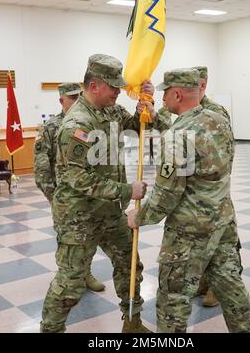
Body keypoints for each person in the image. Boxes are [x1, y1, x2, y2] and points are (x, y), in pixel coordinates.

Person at [127, 68, 250, 333]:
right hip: (222, 221)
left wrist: (138, 216)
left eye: (165, 93)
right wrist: (152, 112)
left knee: (172, 299)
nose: (162, 99)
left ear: (177, 94)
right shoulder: (218, 119)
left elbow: (166, 194)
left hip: (189, 231)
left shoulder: (178, 136)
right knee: (231, 289)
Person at [40, 54, 161, 333]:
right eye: (113, 87)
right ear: (94, 86)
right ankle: (50, 329)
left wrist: (148, 104)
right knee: (71, 280)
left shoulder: (112, 111)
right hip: (79, 216)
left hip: (109, 211)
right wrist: (126, 189)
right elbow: (76, 177)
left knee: (130, 265)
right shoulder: (76, 125)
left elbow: (141, 126)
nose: (118, 92)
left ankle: (132, 321)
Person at [34, 83, 105, 293]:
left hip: (88, 195)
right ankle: (68, 278)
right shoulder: (50, 127)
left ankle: (86, 273)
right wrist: (53, 196)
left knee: (89, 237)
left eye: (78, 97)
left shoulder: (89, 122)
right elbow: (41, 168)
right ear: (61, 101)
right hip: (66, 198)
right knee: (68, 240)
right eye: (71, 98)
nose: (75, 101)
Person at [193, 66, 238, 307]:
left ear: (203, 86)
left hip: (213, 190)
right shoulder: (189, 110)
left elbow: (224, 152)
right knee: (199, 240)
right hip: (195, 194)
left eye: (197, 84)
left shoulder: (215, 111)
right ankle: (202, 281)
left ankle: (215, 288)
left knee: (219, 239)